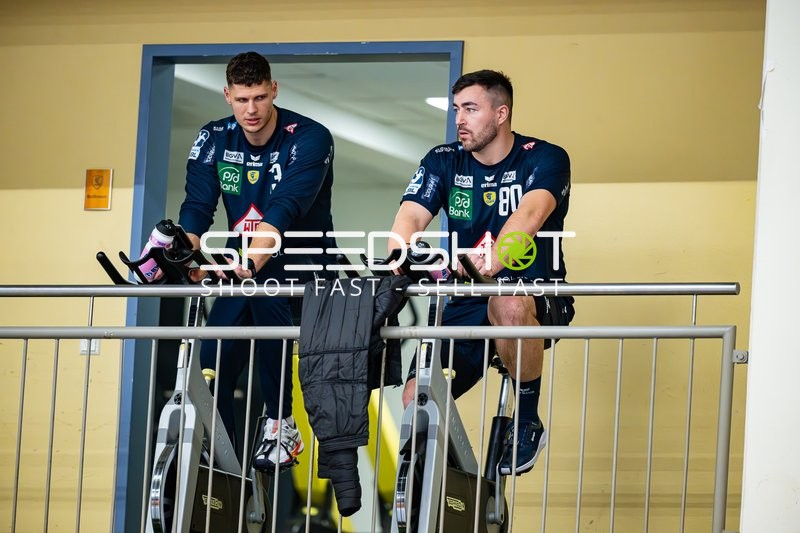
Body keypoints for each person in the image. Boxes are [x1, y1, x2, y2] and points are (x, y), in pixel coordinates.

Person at [389, 69, 575, 475]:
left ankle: (526, 419)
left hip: (535, 294)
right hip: (466, 298)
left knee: (506, 300)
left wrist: (485, 260)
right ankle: (457, 486)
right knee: (414, 397)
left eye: (471, 109)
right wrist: (400, 251)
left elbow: (528, 217)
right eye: (457, 109)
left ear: (501, 113)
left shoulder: (545, 157)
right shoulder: (443, 161)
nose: (460, 119)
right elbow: (409, 217)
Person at [178, 51, 337, 472]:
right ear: (228, 95)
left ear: (275, 91)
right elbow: (196, 208)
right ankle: (222, 451)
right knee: (212, 361)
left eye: (261, 98)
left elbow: (285, 208)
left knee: (268, 300)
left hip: (303, 261)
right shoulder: (214, 138)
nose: (252, 110)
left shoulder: (310, 136)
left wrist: (252, 260)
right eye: (243, 99)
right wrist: (185, 256)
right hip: (242, 260)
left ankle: (280, 420)